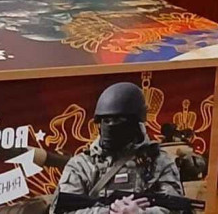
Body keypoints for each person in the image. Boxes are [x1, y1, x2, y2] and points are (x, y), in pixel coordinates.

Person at [50, 83, 186, 214]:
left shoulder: (159, 162)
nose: (110, 125)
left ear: (134, 122)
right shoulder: (81, 165)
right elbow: (62, 211)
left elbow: (176, 209)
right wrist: (109, 211)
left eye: (118, 120)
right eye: (106, 120)